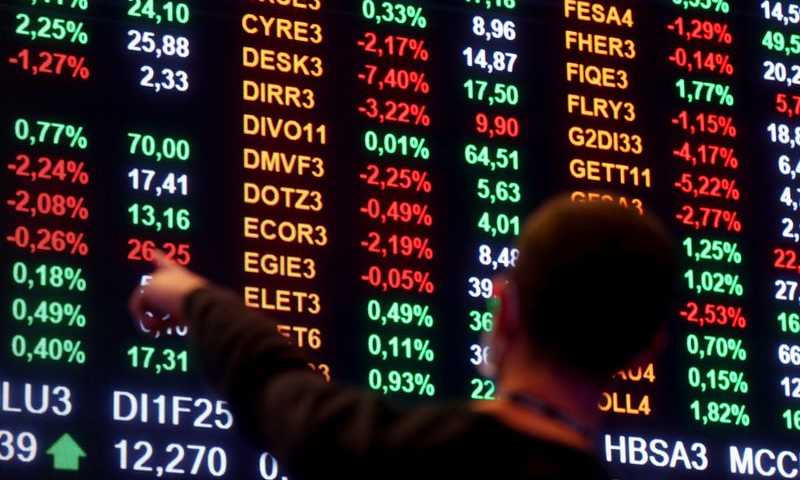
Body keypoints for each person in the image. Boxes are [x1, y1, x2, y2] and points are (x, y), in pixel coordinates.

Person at [129, 196, 675, 479]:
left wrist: (190, 295)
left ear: (505, 309)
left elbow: (277, 390)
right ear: (646, 352)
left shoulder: (395, 452)